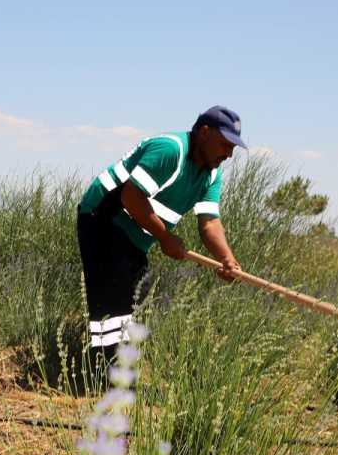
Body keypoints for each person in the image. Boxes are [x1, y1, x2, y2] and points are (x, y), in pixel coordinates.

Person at [77, 105, 245, 360]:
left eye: (232, 147)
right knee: (114, 299)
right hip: (103, 218)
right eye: (224, 144)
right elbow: (131, 196)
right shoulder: (170, 150)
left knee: (136, 299)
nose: (229, 154)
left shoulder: (211, 173)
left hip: (136, 235)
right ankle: (106, 379)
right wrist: (165, 237)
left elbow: (209, 222)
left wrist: (227, 259)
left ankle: (111, 373)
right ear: (204, 132)